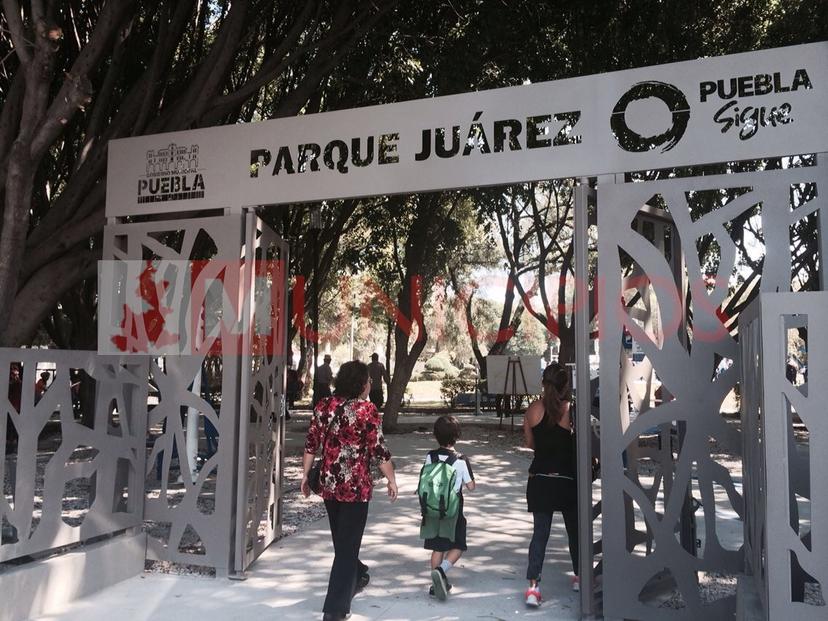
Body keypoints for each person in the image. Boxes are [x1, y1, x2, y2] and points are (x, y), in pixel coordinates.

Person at [302, 360, 398, 621]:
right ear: (361, 384)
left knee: (342, 541)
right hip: (355, 488)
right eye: (368, 381)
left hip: (329, 485)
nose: (369, 385)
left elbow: (311, 444)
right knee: (346, 545)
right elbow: (379, 451)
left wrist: (305, 475)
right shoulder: (367, 411)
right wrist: (391, 479)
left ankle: (357, 572)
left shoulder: (323, 406)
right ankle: (335, 608)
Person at [523, 362, 579, 608]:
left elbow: (530, 444)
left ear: (543, 383)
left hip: (540, 479)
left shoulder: (532, 410)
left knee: (540, 534)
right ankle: (580, 577)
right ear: (565, 385)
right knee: (575, 531)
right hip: (567, 479)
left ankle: (533, 587)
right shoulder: (572, 410)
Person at [420, 415, 475, 601]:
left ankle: (436, 583)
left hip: (432, 509)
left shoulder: (430, 456)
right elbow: (471, 486)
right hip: (453, 511)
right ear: (457, 435)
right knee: (458, 545)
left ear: (435, 435)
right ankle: (441, 572)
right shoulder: (460, 460)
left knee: (437, 548)